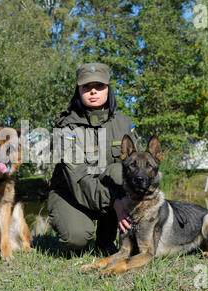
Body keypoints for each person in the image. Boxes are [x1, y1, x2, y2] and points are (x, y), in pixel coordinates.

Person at [47, 63, 140, 256]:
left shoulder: (124, 123)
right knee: (77, 238)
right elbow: (78, 179)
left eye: (99, 86)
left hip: (107, 193)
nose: (93, 92)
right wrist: (115, 201)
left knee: (120, 171)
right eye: (86, 87)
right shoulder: (67, 129)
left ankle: (106, 241)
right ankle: (82, 229)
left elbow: (140, 169)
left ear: (108, 89)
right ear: (78, 90)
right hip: (71, 193)